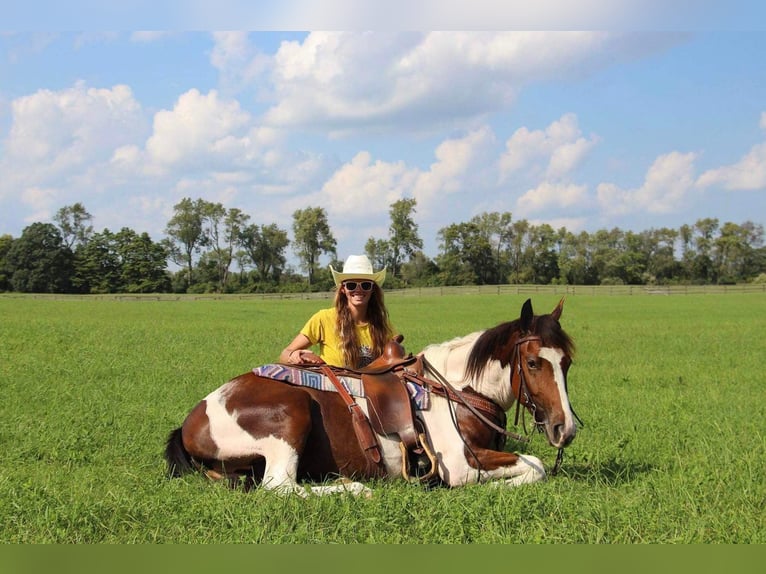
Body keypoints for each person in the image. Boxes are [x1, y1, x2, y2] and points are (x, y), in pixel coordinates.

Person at [279, 254, 398, 369]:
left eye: (365, 285)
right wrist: (293, 356)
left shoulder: (381, 326)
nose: (358, 290)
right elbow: (285, 354)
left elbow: (397, 361)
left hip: (370, 388)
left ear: (372, 289)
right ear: (343, 289)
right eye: (351, 285)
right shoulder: (323, 318)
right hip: (333, 388)